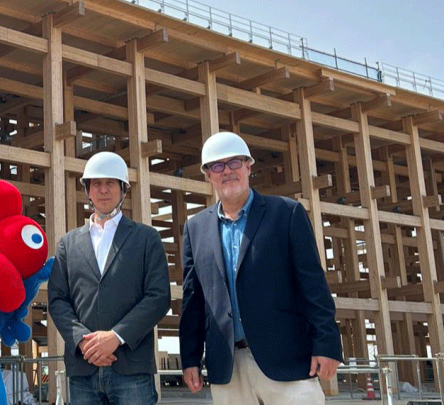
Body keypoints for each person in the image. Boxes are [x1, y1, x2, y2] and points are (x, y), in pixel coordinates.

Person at [179, 131, 343, 405]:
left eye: (234, 162)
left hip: (287, 363)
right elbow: (193, 301)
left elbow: (313, 286)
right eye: (217, 166)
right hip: (228, 368)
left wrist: (327, 344)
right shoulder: (195, 228)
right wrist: (190, 358)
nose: (227, 171)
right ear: (207, 175)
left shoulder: (286, 213)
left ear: (248, 166)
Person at [48, 151, 171, 405]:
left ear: (123, 189)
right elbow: (58, 300)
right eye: (96, 183)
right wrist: (83, 342)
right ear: (87, 190)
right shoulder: (68, 244)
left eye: (110, 183)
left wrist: (116, 336)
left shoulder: (146, 239)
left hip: (131, 369)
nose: (103, 190)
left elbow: (158, 297)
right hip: (83, 369)